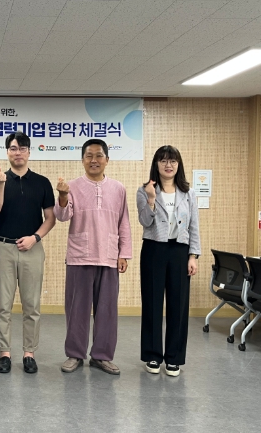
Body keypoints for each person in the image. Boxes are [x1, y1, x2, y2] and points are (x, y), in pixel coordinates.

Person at [55, 139, 132, 375]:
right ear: (82, 160)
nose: (94, 160)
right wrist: (63, 196)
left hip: (109, 257)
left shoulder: (118, 188)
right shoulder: (72, 186)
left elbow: (124, 223)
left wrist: (124, 254)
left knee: (107, 310)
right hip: (80, 256)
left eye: (99, 156)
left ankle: (102, 356)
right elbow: (62, 216)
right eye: (89, 156)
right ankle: (75, 354)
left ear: (107, 160)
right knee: (76, 309)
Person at [0, 132, 56, 374]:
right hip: (2, 247)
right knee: (2, 305)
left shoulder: (42, 182)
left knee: (31, 305)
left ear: (29, 152)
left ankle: (29, 353)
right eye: (13, 148)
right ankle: (4, 353)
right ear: (7, 152)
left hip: (32, 248)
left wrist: (35, 238)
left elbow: (50, 218)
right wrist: (0, 184)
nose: (18, 153)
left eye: (22, 148)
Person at [137, 145, 200, 377]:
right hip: (154, 249)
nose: (168, 165)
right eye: (163, 160)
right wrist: (151, 199)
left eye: (172, 161)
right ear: (156, 164)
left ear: (178, 164)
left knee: (178, 305)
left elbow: (194, 226)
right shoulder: (144, 190)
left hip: (179, 251)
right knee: (152, 303)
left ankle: (174, 358)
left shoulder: (188, 193)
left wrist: (193, 256)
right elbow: (145, 222)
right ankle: (153, 356)